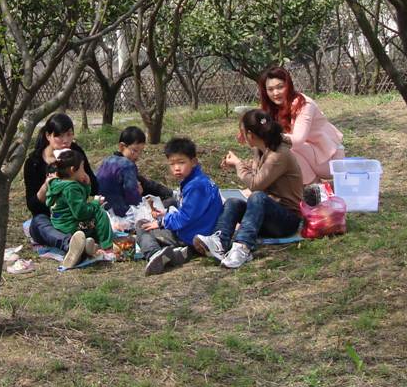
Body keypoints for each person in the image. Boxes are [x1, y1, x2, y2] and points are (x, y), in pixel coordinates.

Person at [195, 108, 303, 269]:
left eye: (243, 132)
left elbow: (255, 184)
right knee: (233, 202)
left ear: (250, 135)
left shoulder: (279, 155)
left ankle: (243, 247)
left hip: (286, 220)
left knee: (257, 197)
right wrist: (237, 165)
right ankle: (220, 241)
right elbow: (256, 175)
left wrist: (239, 164)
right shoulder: (260, 150)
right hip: (267, 216)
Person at [142, 137, 223, 276]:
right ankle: (181, 252)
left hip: (193, 235)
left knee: (142, 225)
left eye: (181, 162)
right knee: (165, 212)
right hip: (199, 231)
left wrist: (162, 221)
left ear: (194, 161)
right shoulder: (197, 180)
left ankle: (154, 254)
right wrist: (164, 216)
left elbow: (185, 218)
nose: (176, 168)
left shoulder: (195, 185)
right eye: (172, 164)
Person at [258, 66, 343, 185]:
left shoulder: (304, 104)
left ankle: (315, 187)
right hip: (309, 153)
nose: (275, 93)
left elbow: (297, 140)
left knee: (284, 148)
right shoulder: (272, 108)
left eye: (280, 87)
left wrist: (265, 135)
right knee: (273, 148)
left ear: (289, 86)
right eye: (270, 89)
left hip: (330, 159)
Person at [37, 149, 117, 268]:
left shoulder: (56, 183)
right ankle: (107, 248)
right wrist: (95, 203)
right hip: (72, 225)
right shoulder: (72, 188)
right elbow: (80, 213)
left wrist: (86, 185)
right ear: (73, 169)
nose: (84, 172)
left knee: (94, 218)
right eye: (82, 168)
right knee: (100, 214)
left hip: (59, 224)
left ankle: (88, 246)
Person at [23, 113, 97, 240]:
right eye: (59, 136)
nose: (66, 141)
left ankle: (81, 241)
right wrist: (46, 185)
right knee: (38, 224)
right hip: (49, 217)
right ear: (48, 136)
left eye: (69, 134)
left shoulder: (76, 153)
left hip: (74, 216)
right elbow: (33, 206)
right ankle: (71, 244)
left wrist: (84, 177)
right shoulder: (34, 163)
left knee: (98, 217)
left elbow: (95, 189)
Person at [95, 125, 177, 219]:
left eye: (140, 152)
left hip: (103, 213)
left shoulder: (106, 161)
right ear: (122, 146)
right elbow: (134, 199)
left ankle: (171, 192)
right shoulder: (127, 165)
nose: (137, 156)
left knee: (144, 182)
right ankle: (173, 194)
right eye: (134, 151)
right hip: (124, 215)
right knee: (172, 202)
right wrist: (140, 194)